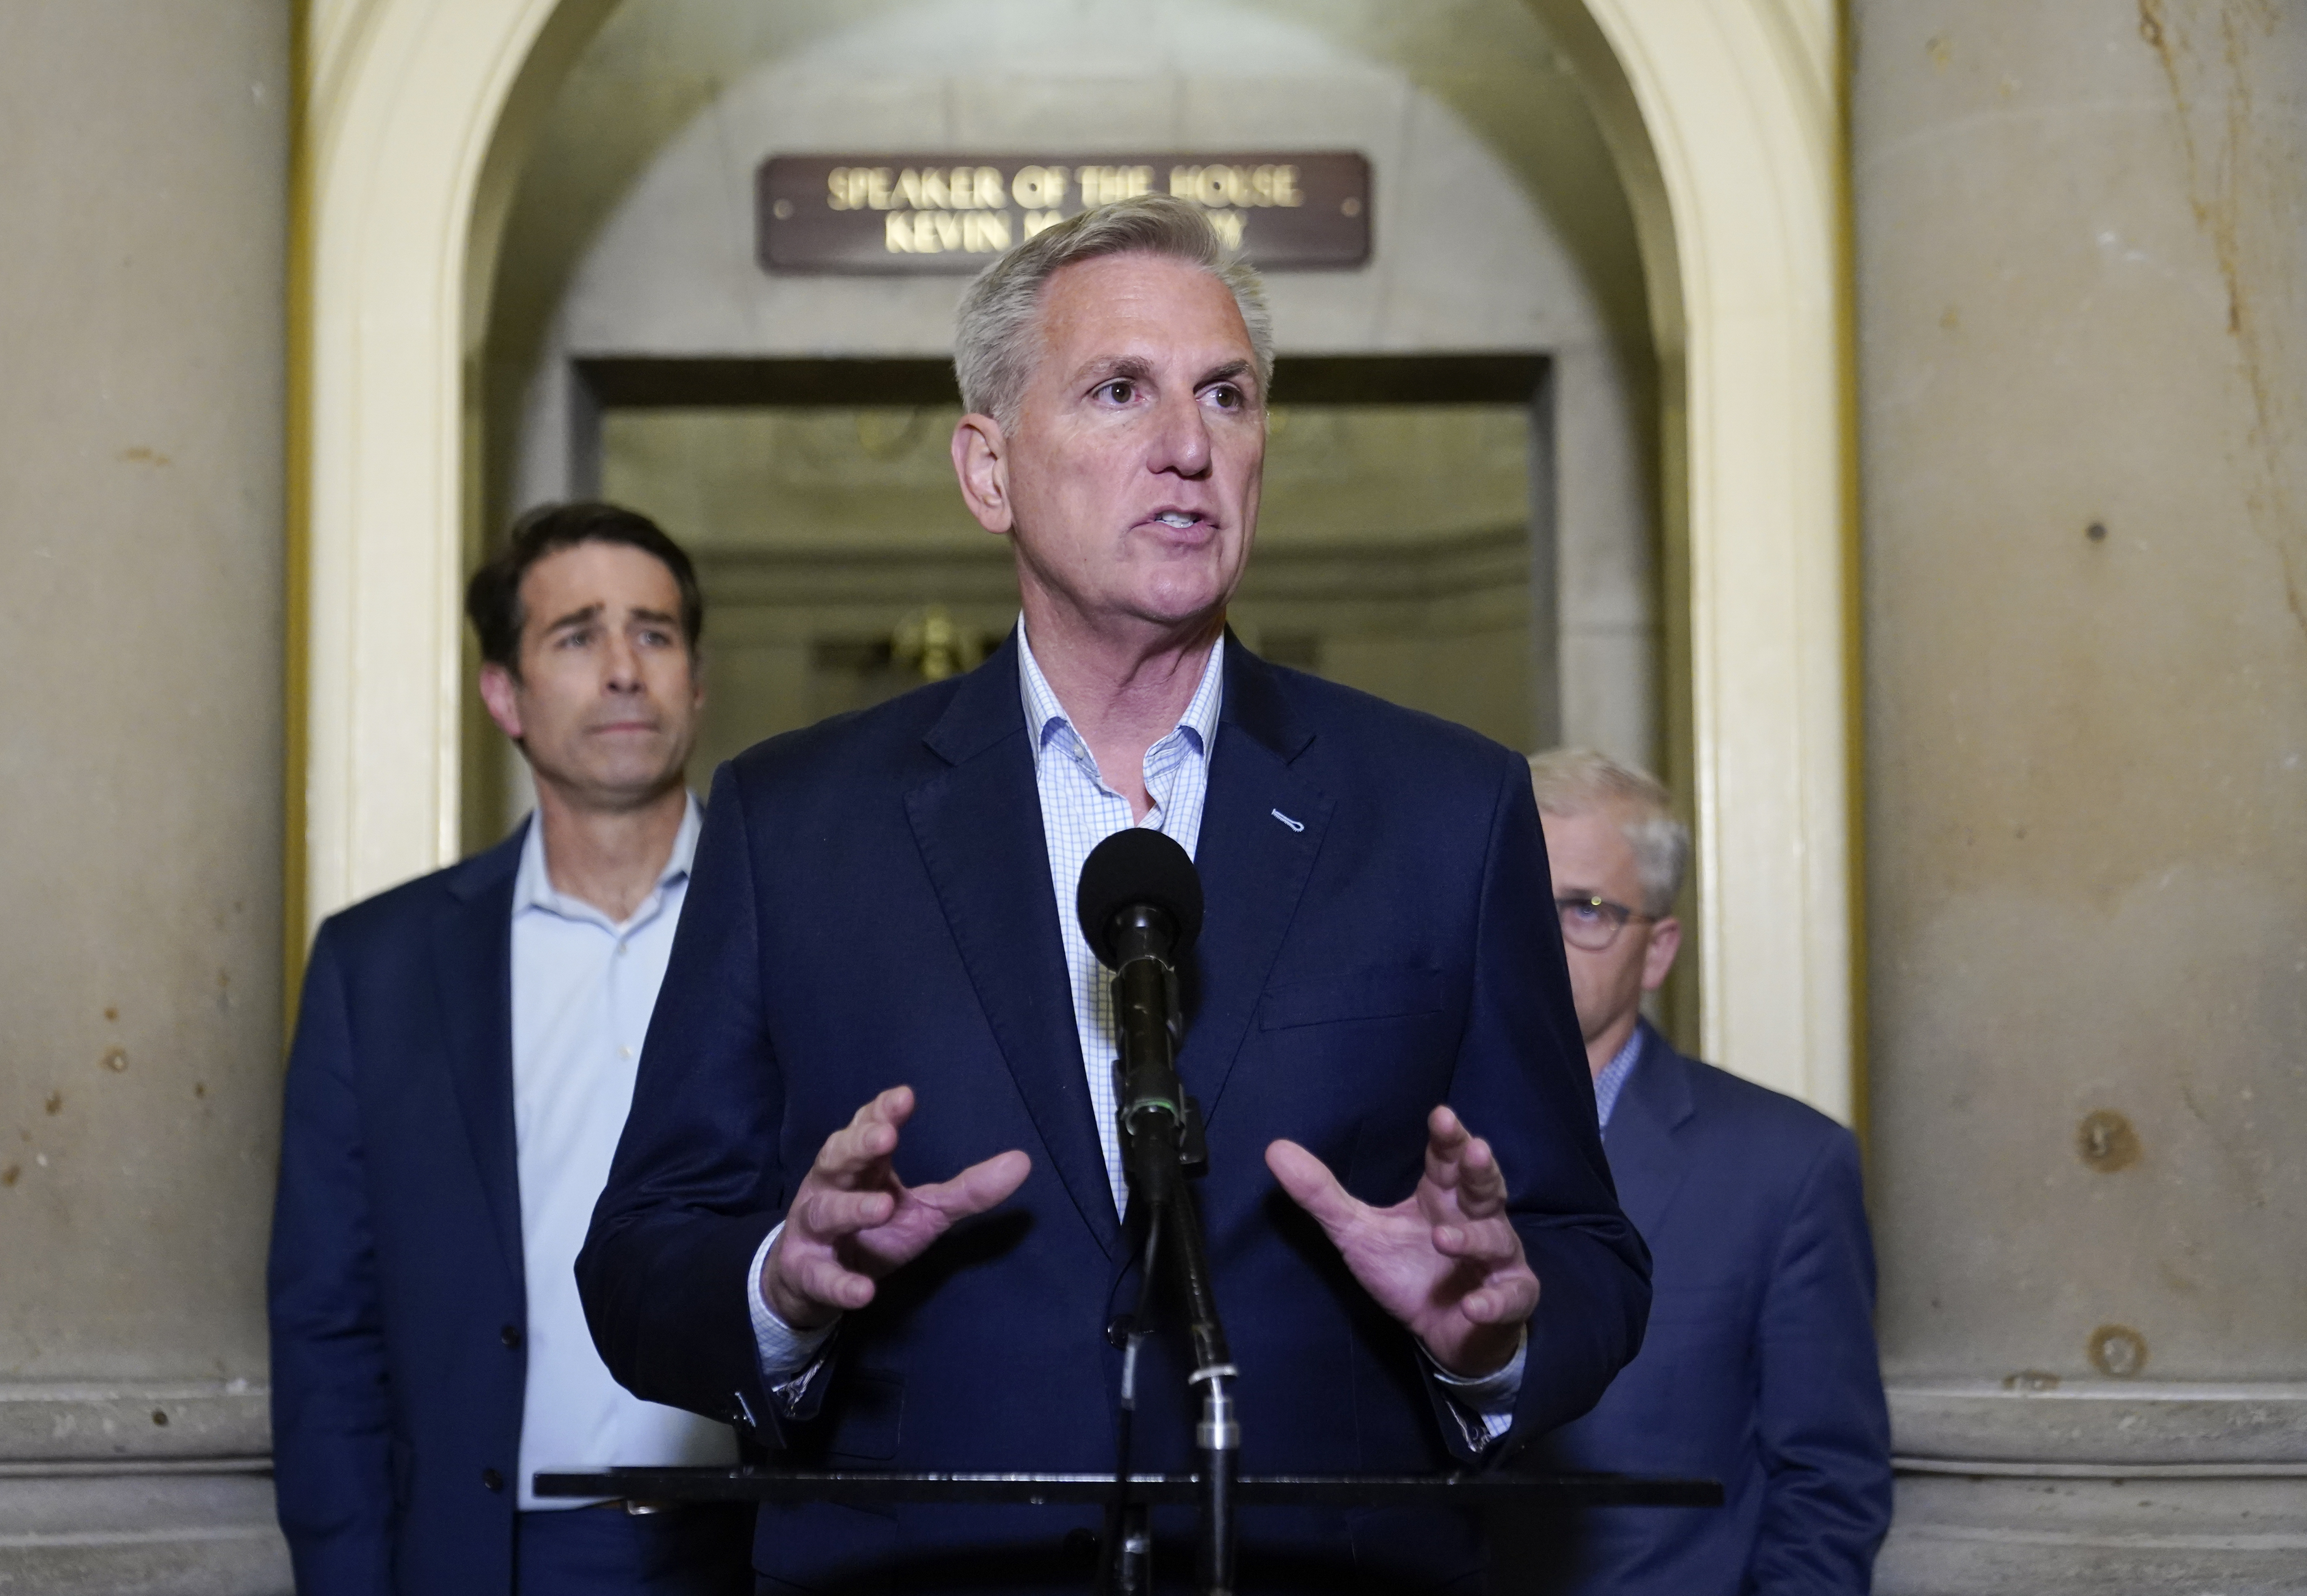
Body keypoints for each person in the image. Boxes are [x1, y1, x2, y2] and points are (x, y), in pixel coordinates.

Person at [576, 197, 1649, 1592]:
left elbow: (1584, 1253)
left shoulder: (1445, 810)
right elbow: (646, 1257)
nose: (1188, 447)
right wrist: (782, 1283)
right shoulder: (797, 821)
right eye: (1117, 392)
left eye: (1226, 396)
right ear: (987, 470)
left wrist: (1490, 1331)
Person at [268, 503, 752, 1595]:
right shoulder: (379, 967)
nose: (624, 668)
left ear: (697, 677)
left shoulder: (805, 926)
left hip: (752, 1541)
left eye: (656, 633)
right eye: (577, 635)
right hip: (497, 1550)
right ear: (504, 694)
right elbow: (326, 1323)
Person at [1500, 747, 1891, 1595]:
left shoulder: (1783, 1166)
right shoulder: (1382, 1139)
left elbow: (1828, 1488)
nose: (1534, 936)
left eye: (1584, 909)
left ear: (1655, 950)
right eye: (1511, 899)